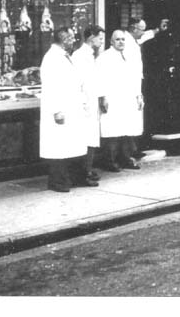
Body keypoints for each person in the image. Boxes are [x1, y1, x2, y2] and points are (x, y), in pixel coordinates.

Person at [39, 26, 93, 193]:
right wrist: (57, 110)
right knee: (59, 147)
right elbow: (50, 87)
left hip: (72, 107)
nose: (74, 40)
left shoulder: (64, 56)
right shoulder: (51, 58)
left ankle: (74, 178)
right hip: (61, 110)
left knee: (72, 145)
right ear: (64, 40)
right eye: (71, 38)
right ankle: (57, 181)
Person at [96, 30, 144, 171]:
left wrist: (139, 95)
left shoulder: (129, 57)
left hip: (128, 98)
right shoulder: (104, 58)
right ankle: (109, 161)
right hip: (113, 99)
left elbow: (135, 78)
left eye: (123, 39)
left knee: (127, 131)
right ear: (111, 42)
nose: (121, 42)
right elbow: (100, 79)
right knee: (113, 133)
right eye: (117, 39)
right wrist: (103, 97)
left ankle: (125, 159)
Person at [123, 18, 170, 149]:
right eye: (141, 30)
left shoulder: (134, 39)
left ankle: (133, 149)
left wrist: (158, 30)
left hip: (135, 86)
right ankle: (127, 152)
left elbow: (145, 36)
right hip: (127, 86)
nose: (143, 33)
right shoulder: (124, 42)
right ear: (133, 28)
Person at [72, 25, 105, 183]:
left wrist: (100, 97)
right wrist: (84, 102)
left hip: (91, 103)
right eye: (100, 37)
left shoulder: (91, 55)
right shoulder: (79, 56)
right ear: (91, 37)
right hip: (84, 104)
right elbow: (79, 83)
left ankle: (87, 170)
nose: (101, 41)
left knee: (90, 137)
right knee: (85, 138)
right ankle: (82, 173)